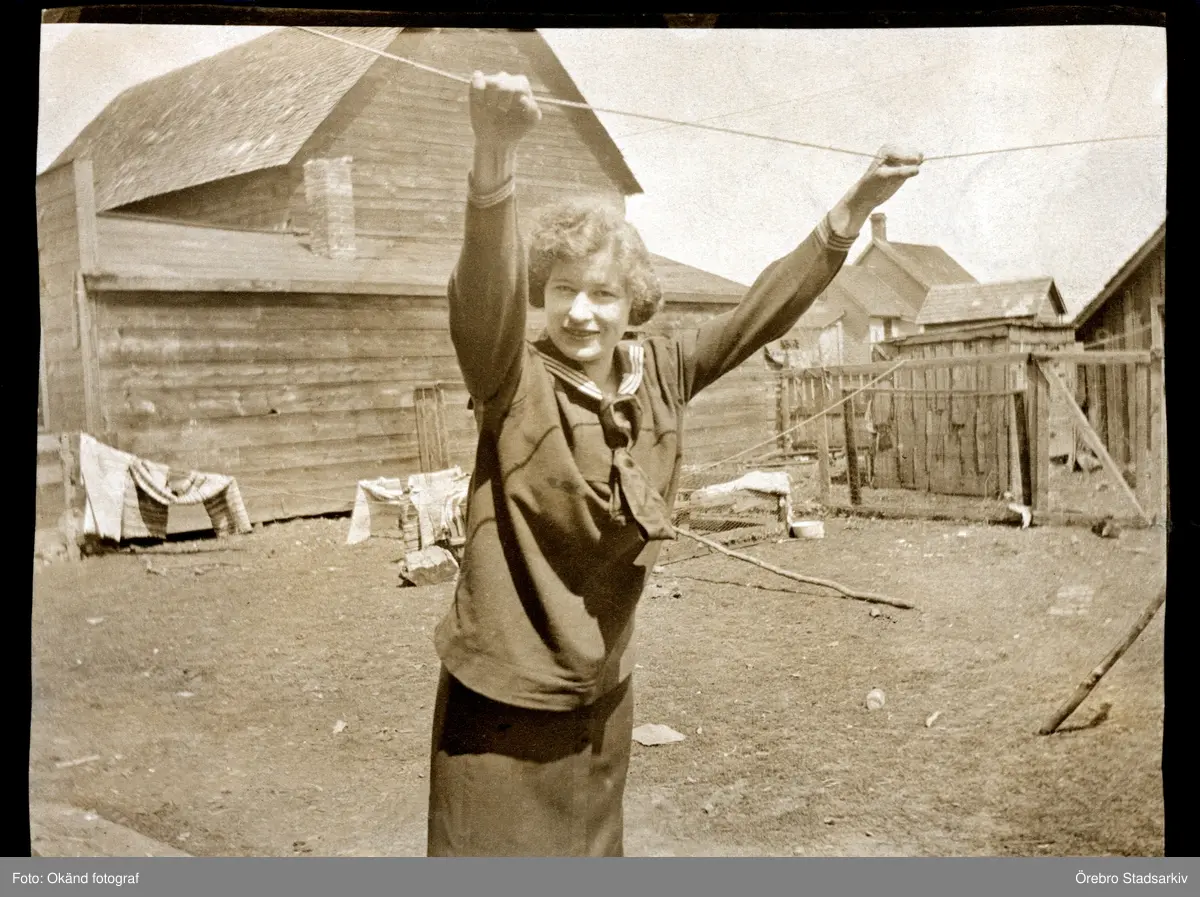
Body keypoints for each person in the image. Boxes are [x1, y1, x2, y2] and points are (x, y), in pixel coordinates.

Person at [427, 70, 922, 857]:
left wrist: (853, 208)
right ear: (538, 294)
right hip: (502, 701)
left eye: (602, 294)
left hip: (600, 697)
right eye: (561, 289)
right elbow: (481, 295)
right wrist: (494, 158)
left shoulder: (661, 371)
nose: (580, 311)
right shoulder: (508, 377)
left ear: (633, 303)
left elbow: (763, 311)